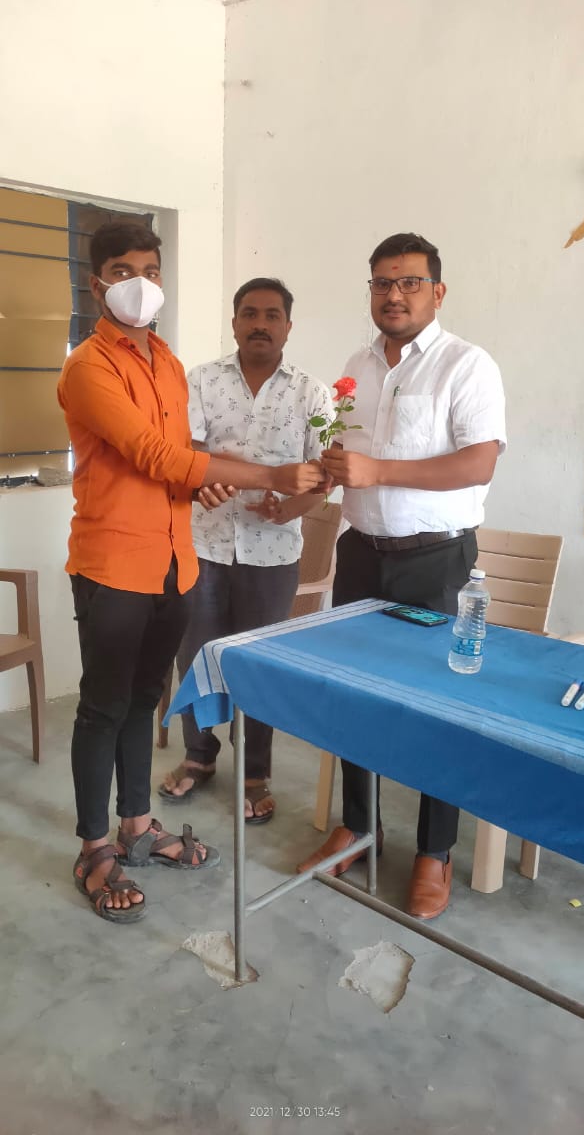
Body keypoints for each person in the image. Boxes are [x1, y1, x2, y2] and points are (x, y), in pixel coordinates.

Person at [58, 224, 321, 924]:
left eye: (150, 269)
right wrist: (269, 474)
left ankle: (137, 827)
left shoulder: (168, 364)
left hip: (176, 560)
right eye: (122, 271)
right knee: (104, 706)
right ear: (97, 283)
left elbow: (179, 461)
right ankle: (94, 849)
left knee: (144, 699)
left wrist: (201, 485)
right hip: (114, 561)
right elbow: (154, 454)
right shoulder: (88, 367)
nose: (139, 283)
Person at [297, 232, 506, 920]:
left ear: (436, 292)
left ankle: (434, 852)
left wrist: (378, 470)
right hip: (361, 554)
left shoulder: (466, 365)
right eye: (382, 283)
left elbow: (479, 463)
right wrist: (310, 481)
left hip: (436, 562)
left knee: (437, 706)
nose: (394, 294)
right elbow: (345, 456)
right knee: (354, 696)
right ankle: (360, 827)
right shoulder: (356, 366)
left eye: (409, 282)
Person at [158, 277, 333, 823]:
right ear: (234, 322)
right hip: (204, 543)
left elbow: (324, 477)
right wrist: (201, 481)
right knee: (197, 654)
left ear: (288, 325)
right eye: (250, 314)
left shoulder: (313, 393)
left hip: (273, 553)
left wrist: (291, 509)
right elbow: (186, 452)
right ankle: (199, 755)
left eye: (272, 315)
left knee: (259, 664)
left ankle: (255, 772)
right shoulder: (200, 380)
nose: (260, 324)